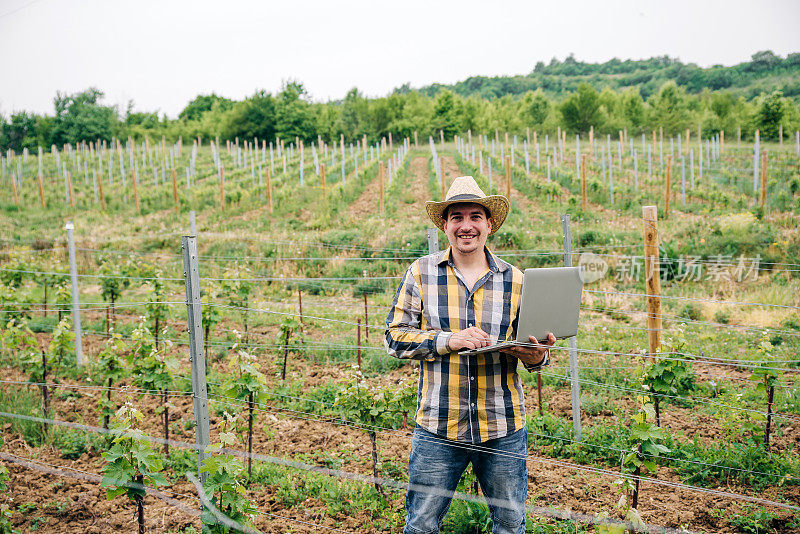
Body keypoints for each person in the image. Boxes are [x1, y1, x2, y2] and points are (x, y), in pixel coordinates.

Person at [385, 175, 556, 534]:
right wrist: (450, 340)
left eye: (475, 216)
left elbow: (537, 356)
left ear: (489, 224)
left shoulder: (518, 280)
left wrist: (533, 355)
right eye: (457, 217)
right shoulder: (421, 273)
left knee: (510, 523)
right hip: (438, 424)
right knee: (420, 524)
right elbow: (394, 338)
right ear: (445, 225)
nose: (467, 226)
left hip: (501, 423)